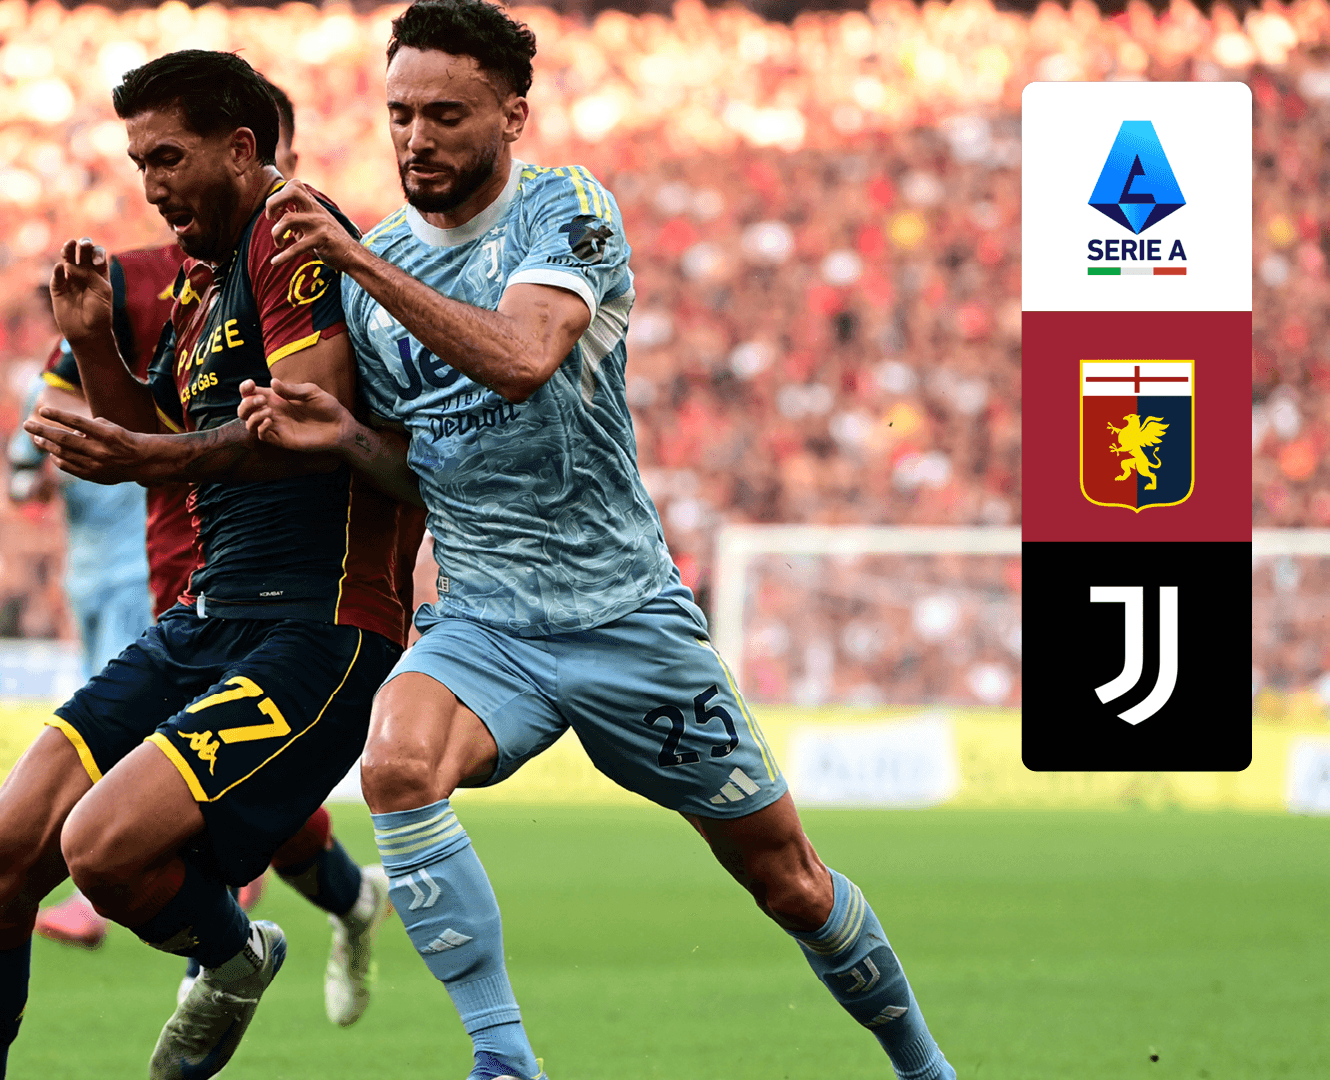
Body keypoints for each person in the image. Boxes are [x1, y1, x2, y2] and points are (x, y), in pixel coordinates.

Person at [239, 3, 958, 1079]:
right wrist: (341, 436)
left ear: (511, 117)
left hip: (625, 618)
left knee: (789, 882)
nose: (416, 139)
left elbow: (523, 358)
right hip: (485, 624)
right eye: (400, 114)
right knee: (394, 764)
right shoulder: (369, 267)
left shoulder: (564, 210)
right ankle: (504, 1059)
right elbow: (416, 463)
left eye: (446, 115)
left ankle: (924, 1068)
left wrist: (358, 263)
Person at [0, 50, 421, 1080]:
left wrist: (146, 459)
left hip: (317, 626)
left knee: (102, 850)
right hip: (208, 616)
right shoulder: (201, 281)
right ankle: (238, 948)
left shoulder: (291, 233)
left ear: (241, 149)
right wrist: (95, 346)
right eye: (138, 164)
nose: (150, 187)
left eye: (167, 159)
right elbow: (155, 430)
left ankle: (234, 951)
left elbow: (308, 424)